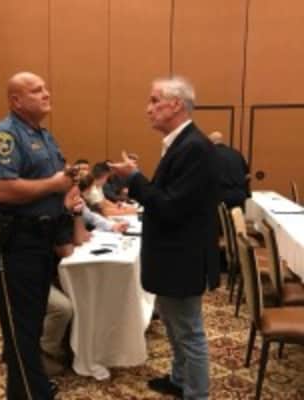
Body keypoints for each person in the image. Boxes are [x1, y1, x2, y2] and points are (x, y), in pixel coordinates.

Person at [110, 76, 220, 400]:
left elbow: (170, 206)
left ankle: (197, 394)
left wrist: (134, 178)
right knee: (174, 324)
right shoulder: (181, 143)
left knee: (188, 331)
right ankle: (180, 378)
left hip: (182, 257)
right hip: (173, 254)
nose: (148, 109)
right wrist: (138, 180)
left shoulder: (194, 147)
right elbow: (168, 198)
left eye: (155, 100)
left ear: (176, 104)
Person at [0, 71, 80, 400]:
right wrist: (55, 184)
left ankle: (24, 388)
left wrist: (64, 192)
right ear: (16, 101)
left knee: (33, 322)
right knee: (20, 327)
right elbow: (3, 189)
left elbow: (52, 187)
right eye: (36, 91)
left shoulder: (44, 136)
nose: (46, 94)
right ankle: (32, 393)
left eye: (45, 88)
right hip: (15, 241)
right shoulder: (5, 135)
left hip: (41, 239)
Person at [208, 131, 250, 209]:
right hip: (239, 196)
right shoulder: (237, 153)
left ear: (210, 142)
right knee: (237, 216)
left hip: (220, 197)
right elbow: (247, 176)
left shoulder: (209, 154)